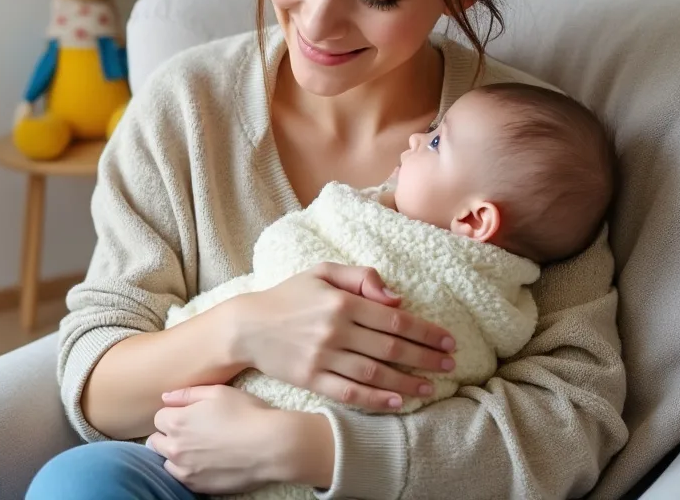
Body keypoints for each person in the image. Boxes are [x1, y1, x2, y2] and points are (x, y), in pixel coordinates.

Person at [26, 0, 628, 500]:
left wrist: (313, 447)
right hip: (185, 480)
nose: (316, 22)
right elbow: (94, 381)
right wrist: (245, 329)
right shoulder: (187, 108)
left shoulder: (525, 150)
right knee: (79, 484)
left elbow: (572, 420)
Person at [158, 82, 618, 500]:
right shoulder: (502, 307)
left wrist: (301, 446)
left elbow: (283, 251)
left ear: (474, 220)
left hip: (254, 442)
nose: (418, 139)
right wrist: (243, 327)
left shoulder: (396, 252)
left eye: (437, 142)